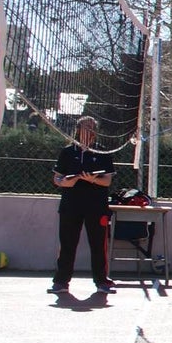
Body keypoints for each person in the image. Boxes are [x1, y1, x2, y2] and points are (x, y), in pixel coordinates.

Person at [49, 116, 116, 294]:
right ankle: (61, 281)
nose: (89, 131)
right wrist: (65, 182)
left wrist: (94, 179)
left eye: (92, 127)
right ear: (78, 130)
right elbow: (57, 178)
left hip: (96, 205)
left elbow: (107, 181)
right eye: (85, 127)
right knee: (68, 243)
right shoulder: (68, 151)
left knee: (98, 244)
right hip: (71, 205)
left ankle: (102, 281)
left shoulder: (102, 152)